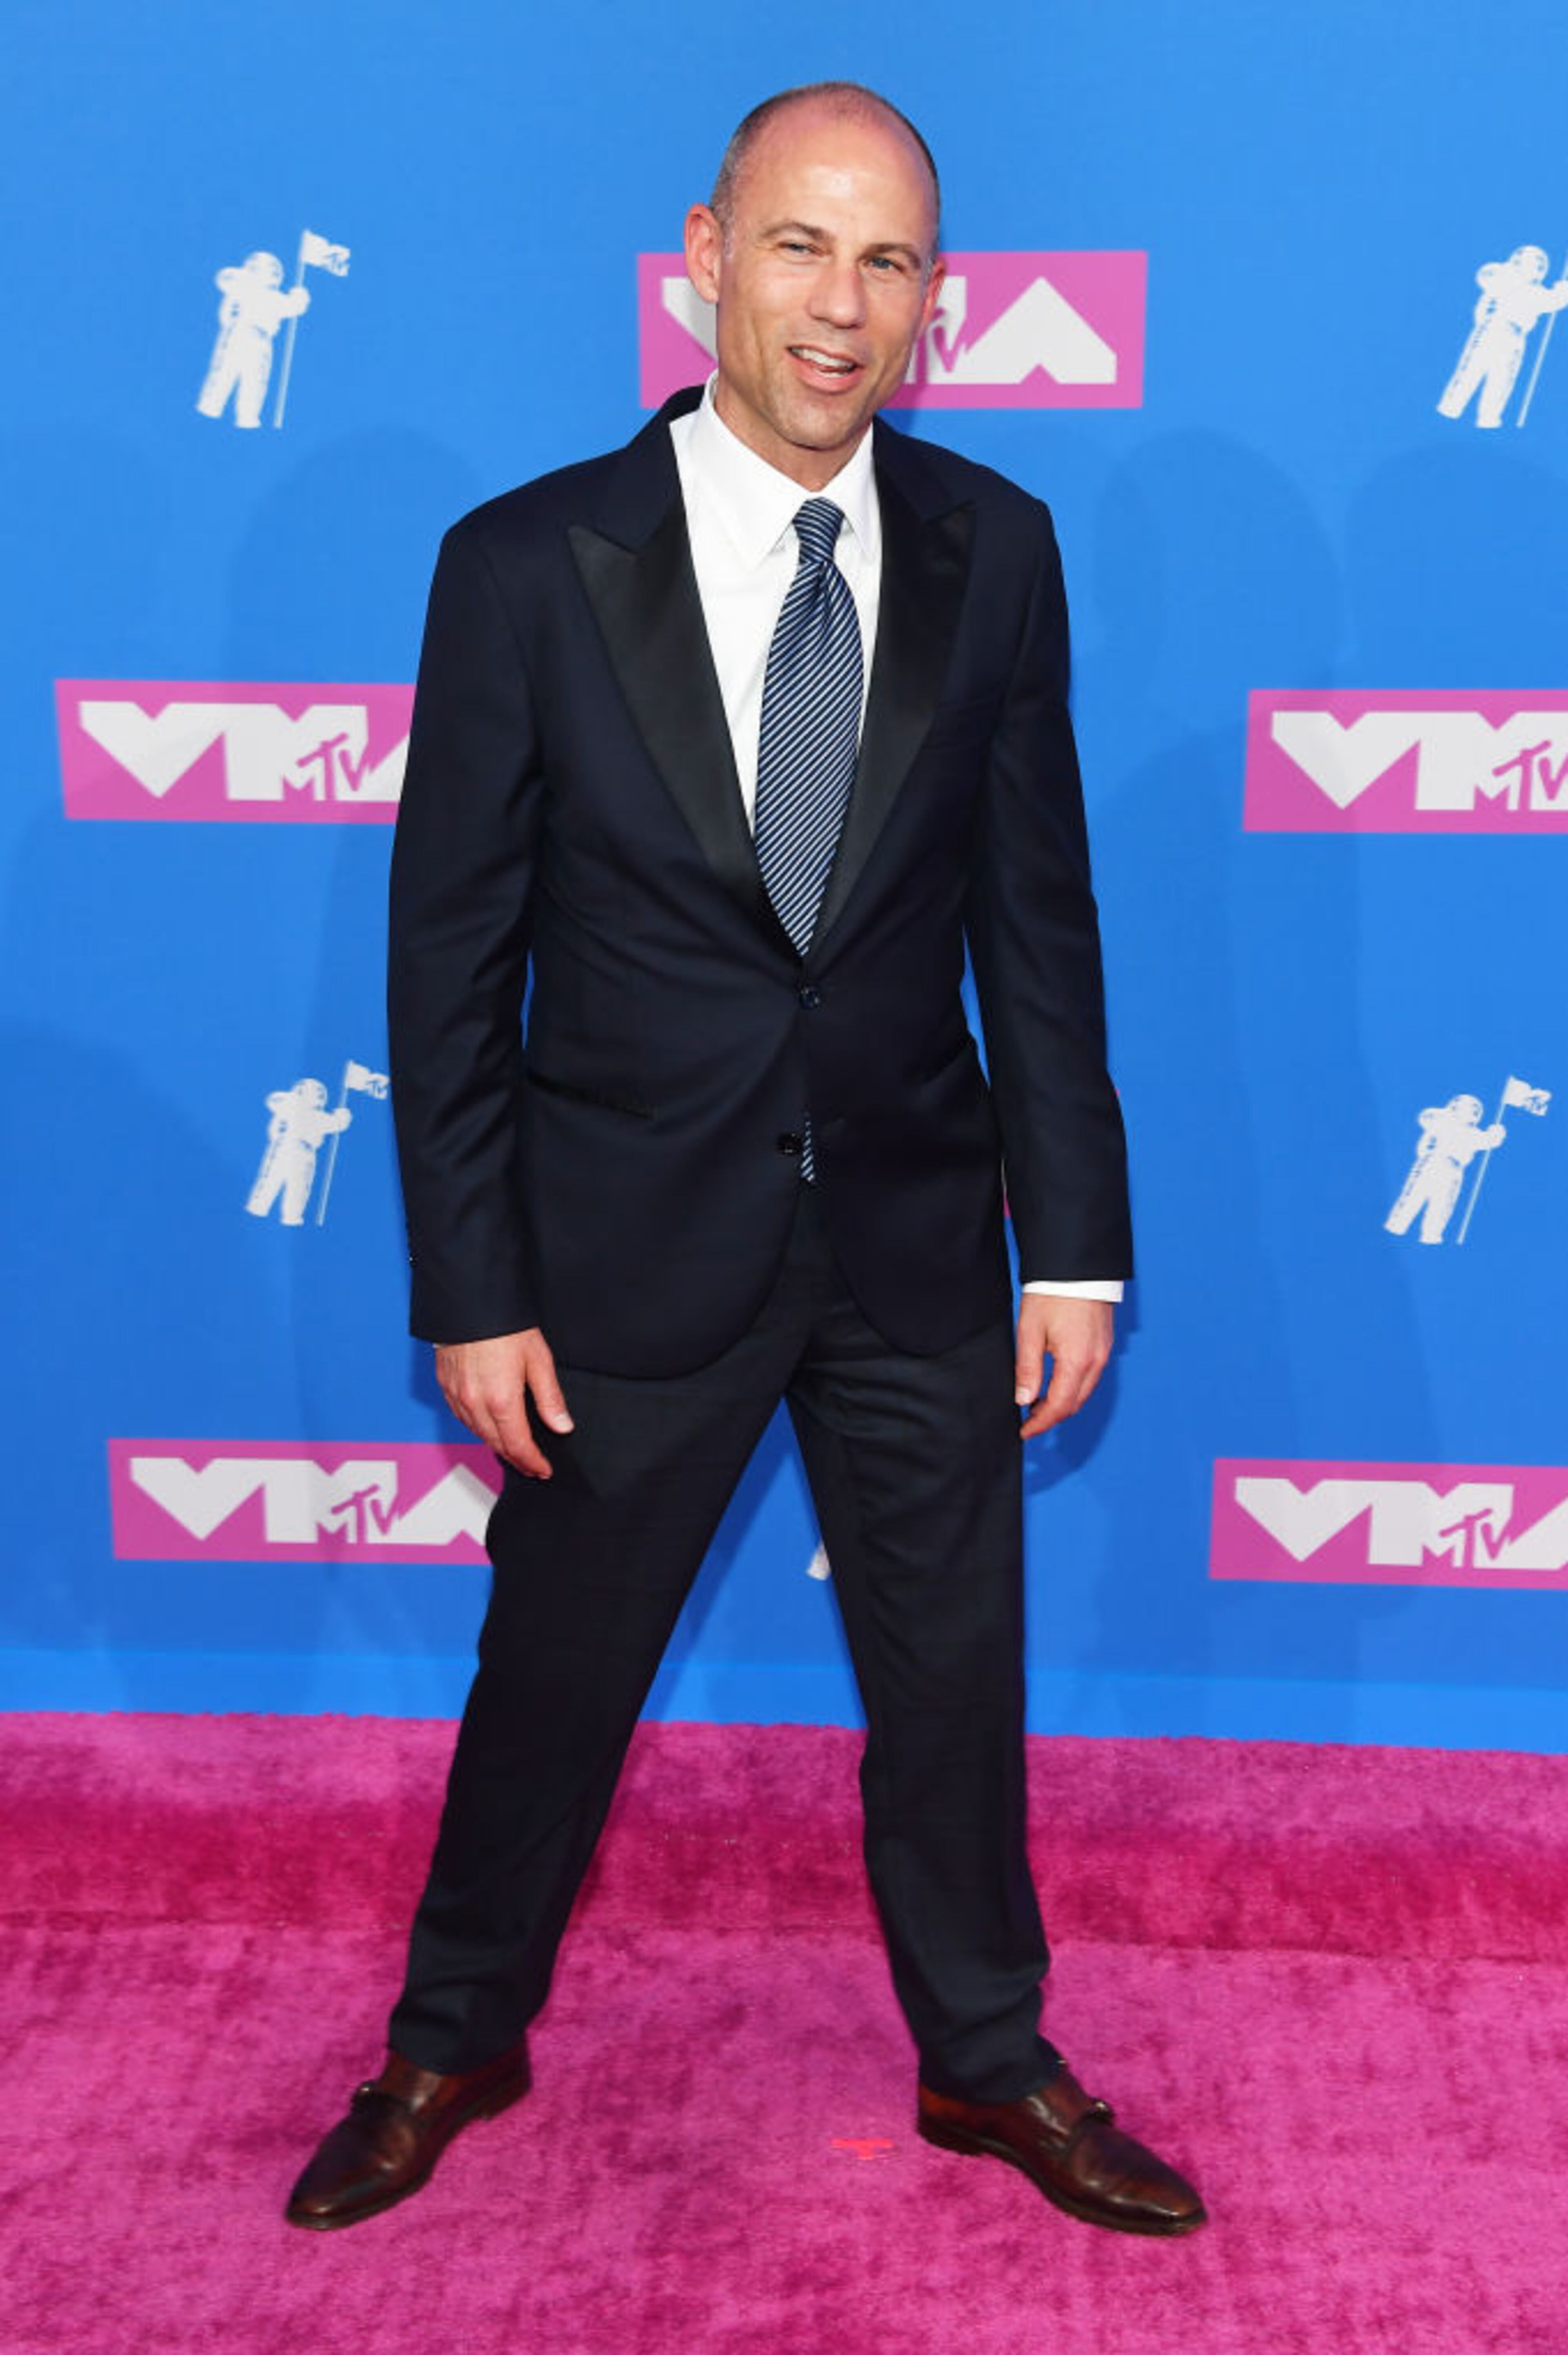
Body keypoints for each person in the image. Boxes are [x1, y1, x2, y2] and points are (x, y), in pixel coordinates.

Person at [287, 80, 1205, 2241]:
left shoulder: (998, 547)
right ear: (702, 251)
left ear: (937, 303)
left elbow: (1036, 923)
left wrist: (1071, 1243)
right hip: (622, 1251)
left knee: (956, 1683)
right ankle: (450, 2033)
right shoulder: (524, 564)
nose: (841, 306)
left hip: (913, 1232)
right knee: (554, 1680)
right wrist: (471, 1280)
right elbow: (451, 963)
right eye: (802, 246)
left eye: (888, 261)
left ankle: (988, 2057)